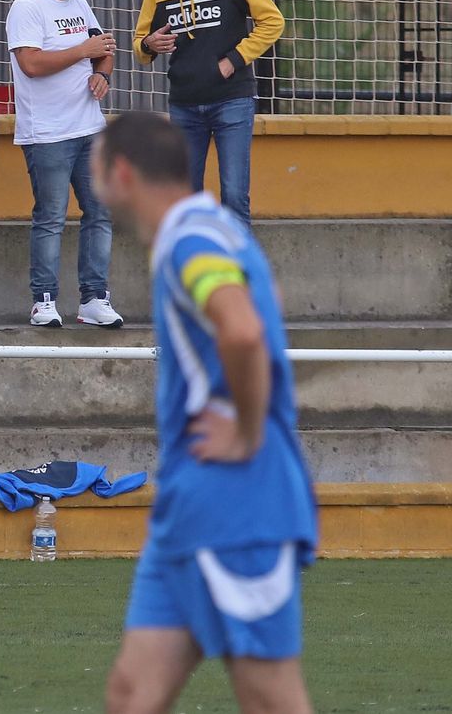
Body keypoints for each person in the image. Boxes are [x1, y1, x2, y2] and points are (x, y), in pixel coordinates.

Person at [95, 112, 317, 714]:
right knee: (132, 694)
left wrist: (246, 434)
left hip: (235, 500)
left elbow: (241, 330)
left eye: (95, 168)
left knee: (270, 699)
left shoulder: (191, 239)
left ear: (120, 173)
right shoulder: (200, 228)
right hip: (189, 503)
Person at [133, 0, 284, 226]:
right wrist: (149, 45)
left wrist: (235, 59)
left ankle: (236, 271)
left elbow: (272, 22)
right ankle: (195, 267)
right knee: (186, 199)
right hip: (184, 106)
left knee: (233, 194)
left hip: (232, 100)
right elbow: (140, 46)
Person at [5, 0, 123, 330]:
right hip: (48, 134)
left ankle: (94, 298)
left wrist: (102, 75)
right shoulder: (27, 7)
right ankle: (43, 300)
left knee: (100, 212)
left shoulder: (80, 4)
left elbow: (102, 48)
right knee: (51, 217)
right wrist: (83, 54)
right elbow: (31, 65)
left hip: (89, 127)